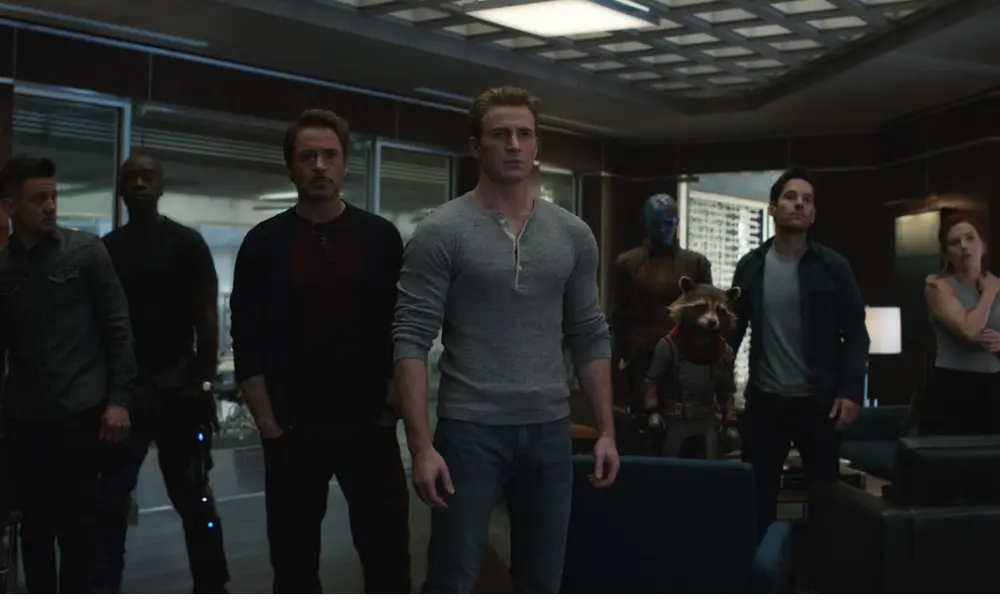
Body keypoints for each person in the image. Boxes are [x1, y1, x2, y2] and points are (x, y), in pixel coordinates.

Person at [393, 86, 620, 594]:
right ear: (477, 146)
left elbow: (589, 333)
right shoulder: (441, 231)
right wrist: (421, 447)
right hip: (470, 430)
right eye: (500, 135)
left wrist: (606, 430)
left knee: (542, 579)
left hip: (549, 430)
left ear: (538, 145)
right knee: (452, 576)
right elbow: (410, 339)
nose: (514, 145)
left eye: (524, 134)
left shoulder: (573, 234)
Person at [230, 109, 409, 593]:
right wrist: (266, 421)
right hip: (293, 427)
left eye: (330, 155)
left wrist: (394, 398)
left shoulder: (379, 238)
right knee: (293, 565)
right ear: (291, 167)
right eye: (308, 157)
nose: (320, 166)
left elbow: (402, 326)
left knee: (387, 558)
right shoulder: (263, 243)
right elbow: (246, 336)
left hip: (368, 424)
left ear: (345, 163)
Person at [0, 155, 135, 592]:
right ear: (10, 206)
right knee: (35, 531)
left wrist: (119, 401)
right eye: (38, 199)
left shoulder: (85, 251)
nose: (50, 206)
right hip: (26, 420)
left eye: (54, 197)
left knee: (82, 534)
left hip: (83, 414)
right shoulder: (3, 269)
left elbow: (118, 328)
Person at [97, 153, 229, 593]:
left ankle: (212, 586)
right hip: (125, 393)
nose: (139, 183)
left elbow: (207, 319)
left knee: (195, 498)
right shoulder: (108, 249)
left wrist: (202, 383)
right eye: (131, 177)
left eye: (147, 176)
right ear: (121, 187)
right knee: (110, 502)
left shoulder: (186, 243)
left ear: (161, 185)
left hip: (179, 389)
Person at [727, 167, 868, 540]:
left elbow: (856, 333)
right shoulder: (751, 266)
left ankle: (822, 568)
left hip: (820, 403)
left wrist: (851, 391)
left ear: (814, 214)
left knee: (826, 499)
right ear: (773, 208)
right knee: (757, 497)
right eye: (791, 197)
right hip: (765, 402)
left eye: (807, 200)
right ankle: (761, 566)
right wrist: (720, 388)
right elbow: (732, 332)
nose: (799, 204)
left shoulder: (832, 266)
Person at [609, 193, 713, 414]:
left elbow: (708, 318)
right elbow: (618, 319)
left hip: (684, 357)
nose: (663, 229)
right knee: (644, 417)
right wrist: (614, 366)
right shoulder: (628, 263)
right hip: (641, 356)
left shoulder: (696, 264)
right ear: (647, 224)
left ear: (676, 223)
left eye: (668, 223)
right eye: (657, 223)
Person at [923, 213, 1000, 435]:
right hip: (953, 385)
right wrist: (989, 293)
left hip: (994, 386)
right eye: (954, 243)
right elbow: (969, 330)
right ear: (946, 253)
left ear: (983, 245)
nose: (964, 246)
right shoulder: (938, 287)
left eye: (970, 238)